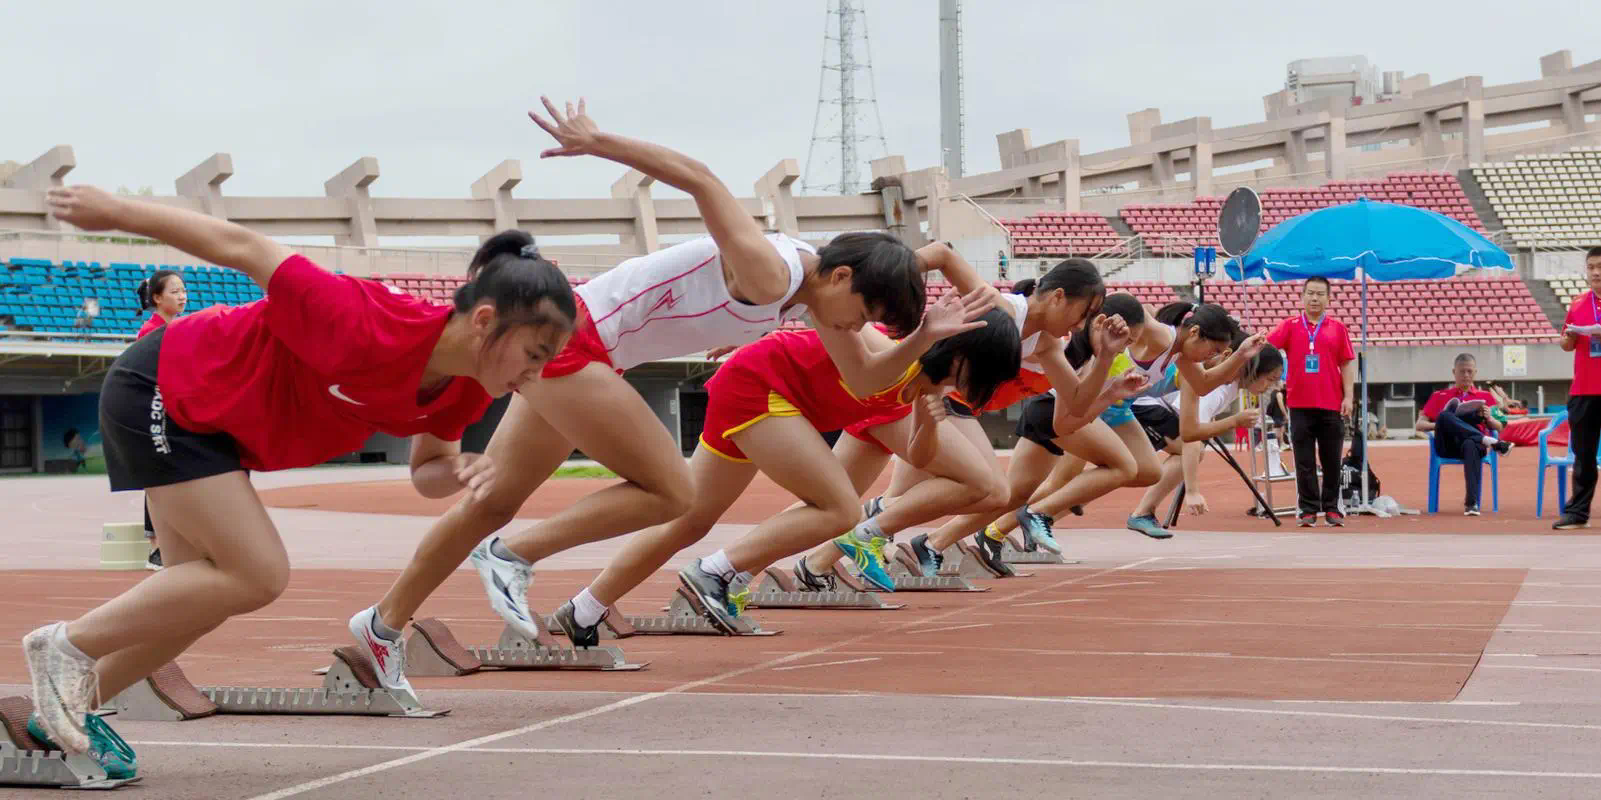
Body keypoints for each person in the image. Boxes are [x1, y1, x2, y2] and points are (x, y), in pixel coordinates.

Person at [352, 98, 984, 691]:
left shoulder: (812, 296)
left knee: (492, 503)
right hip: (578, 341)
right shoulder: (774, 273)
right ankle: (513, 554)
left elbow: (867, 381)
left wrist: (924, 332)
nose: (858, 325)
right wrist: (597, 142)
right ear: (843, 277)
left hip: (574, 344)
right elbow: (703, 179)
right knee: (673, 492)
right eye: (865, 310)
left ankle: (380, 627)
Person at [27, 186, 574, 777]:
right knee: (258, 573)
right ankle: (63, 647)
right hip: (164, 386)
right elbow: (243, 245)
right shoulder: (363, 318)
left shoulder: (463, 388)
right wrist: (117, 215)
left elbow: (427, 472)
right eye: (535, 353)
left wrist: (460, 472)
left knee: (197, 603)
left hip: (213, 427)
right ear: (485, 321)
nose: (536, 375)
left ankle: (63, 710)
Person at [566, 299, 1018, 640]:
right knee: (841, 510)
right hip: (761, 385)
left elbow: (919, 458)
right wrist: (751, 330)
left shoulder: (927, 391)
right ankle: (717, 572)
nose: (970, 387)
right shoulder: (892, 350)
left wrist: (933, 424)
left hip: (767, 396)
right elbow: (820, 304)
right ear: (962, 353)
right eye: (976, 373)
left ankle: (585, 610)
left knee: (692, 519)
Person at [814, 259, 1135, 579]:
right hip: (917, 391)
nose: (1080, 326)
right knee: (990, 490)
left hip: (929, 401)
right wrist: (874, 275)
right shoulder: (1001, 306)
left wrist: (1106, 358)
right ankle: (876, 537)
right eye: (1082, 314)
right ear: (1058, 297)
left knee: (836, 502)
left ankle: (815, 565)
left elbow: (1076, 406)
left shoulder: (1048, 342)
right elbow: (941, 253)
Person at [910, 300, 1265, 573]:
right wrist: (1110, 331)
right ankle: (1037, 514)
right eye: (1212, 351)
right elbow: (1127, 313)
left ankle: (936, 542)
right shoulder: (1154, 333)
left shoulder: (1180, 354)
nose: (1212, 358)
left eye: (1218, 356)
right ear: (1194, 333)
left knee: (1011, 493)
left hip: (1095, 407)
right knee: (1125, 468)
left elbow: (1203, 384)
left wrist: (1242, 356)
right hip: (1066, 403)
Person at [1124, 340, 1286, 529]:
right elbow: (1191, 435)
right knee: (1189, 452)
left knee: (1123, 465)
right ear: (1252, 370)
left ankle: (1138, 510)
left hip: (1152, 404)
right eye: (1269, 378)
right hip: (1143, 403)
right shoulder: (1219, 389)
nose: (1272, 386)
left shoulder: (1231, 386)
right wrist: (1193, 491)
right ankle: (1142, 512)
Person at [1267, 276, 1356, 527]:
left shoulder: (1338, 329)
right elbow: (1267, 349)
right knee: (1304, 460)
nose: (1314, 298)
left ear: (1329, 298)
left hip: (1331, 403)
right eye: (1310, 293)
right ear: (1302, 296)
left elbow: (1347, 363)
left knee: (1331, 460)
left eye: (1319, 294)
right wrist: (1272, 379)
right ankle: (1307, 508)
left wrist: (1349, 396)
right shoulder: (1290, 326)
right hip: (1299, 404)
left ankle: (1332, 507)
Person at [1415, 353, 1513, 516]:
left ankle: (1471, 503)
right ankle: (1492, 442)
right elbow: (1419, 424)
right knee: (1445, 416)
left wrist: (1488, 417)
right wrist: (1440, 424)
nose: (1466, 375)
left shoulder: (1486, 397)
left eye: (1469, 371)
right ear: (1454, 372)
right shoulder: (1440, 395)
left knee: (1470, 444)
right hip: (1448, 445)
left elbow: (1499, 427)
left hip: (1473, 446)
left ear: (1475, 372)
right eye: (1462, 371)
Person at [135, 269, 187, 570]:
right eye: (174, 291)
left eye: (183, 290)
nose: (181, 296)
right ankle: (156, 546)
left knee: (174, 478)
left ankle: (172, 542)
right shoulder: (150, 331)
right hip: (154, 412)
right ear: (157, 298)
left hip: (175, 412)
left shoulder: (181, 326)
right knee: (157, 479)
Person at [1553, 245, 1601, 530]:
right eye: (1592, 267)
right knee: (1583, 454)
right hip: (1584, 391)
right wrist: (1571, 336)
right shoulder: (1577, 304)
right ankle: (1577, 513)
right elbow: (1566, 344)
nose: (1596, 273)